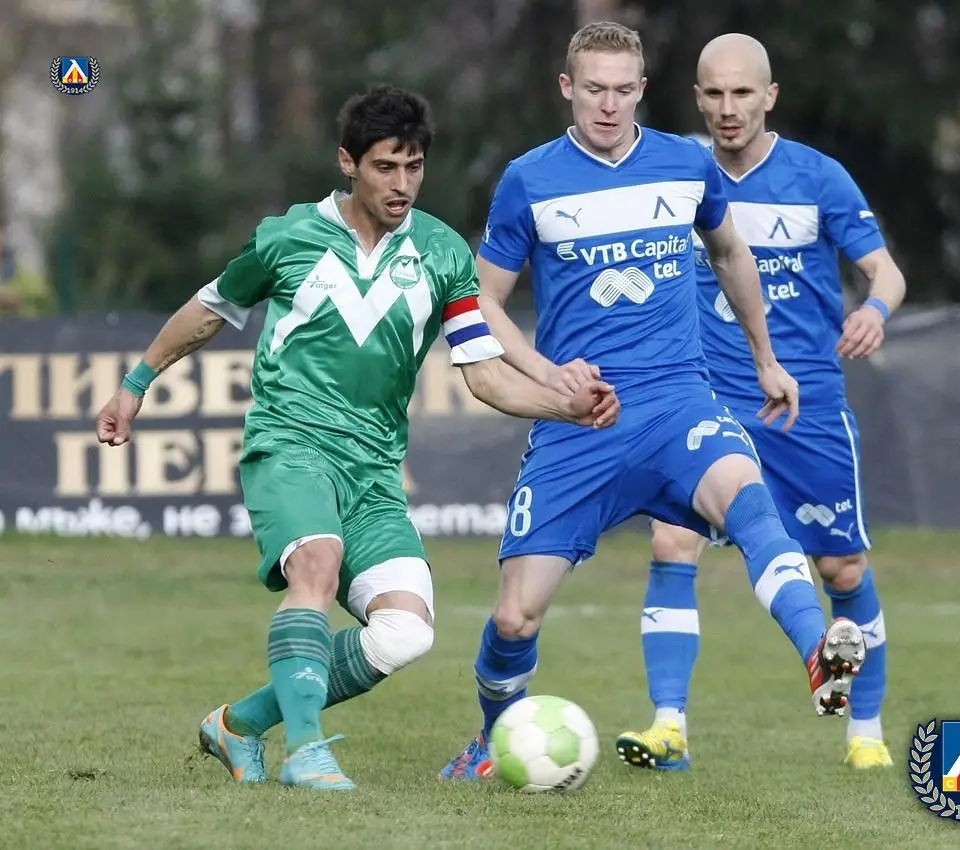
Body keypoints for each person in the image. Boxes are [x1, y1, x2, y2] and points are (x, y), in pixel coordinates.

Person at [94, 85, 621, 792]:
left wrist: (565, 407)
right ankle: (306, 751)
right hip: (291, 444)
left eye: (413, 167)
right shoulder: (287, 237)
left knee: (407, 632)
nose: (401, 184)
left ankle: (239, 724)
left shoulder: (443, 254)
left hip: (373, 472)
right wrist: (136, 382)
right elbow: (210, 308)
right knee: (316, 564)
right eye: (385, 167)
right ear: (348, 162)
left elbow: (485, 376)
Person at [440, 21, 867, 782]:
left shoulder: (684, 163)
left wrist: (765, 359)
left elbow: (729, 252)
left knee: (747, 496)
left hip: (678, 400)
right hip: (582, 422)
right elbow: (482, 299)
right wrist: (548, 375)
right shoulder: (529, 179)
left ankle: (817, 651)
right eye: (593, 90)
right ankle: (491, 736)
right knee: (515, 616)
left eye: (622, 90)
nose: (608, 105)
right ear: (567, 88)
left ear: (641, 88)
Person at [616, 33, 906, 772]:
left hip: (803, 403)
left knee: (841, 569)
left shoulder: (817, 176)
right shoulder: (677, 176)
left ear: (769, 96)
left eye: (742, 92)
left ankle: (864, 730)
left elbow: (885, 271)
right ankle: (668, 726)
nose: (728, 108)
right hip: (705, 396)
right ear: (696, 99)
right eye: (713, 94)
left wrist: (874, 309)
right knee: (671, 542)